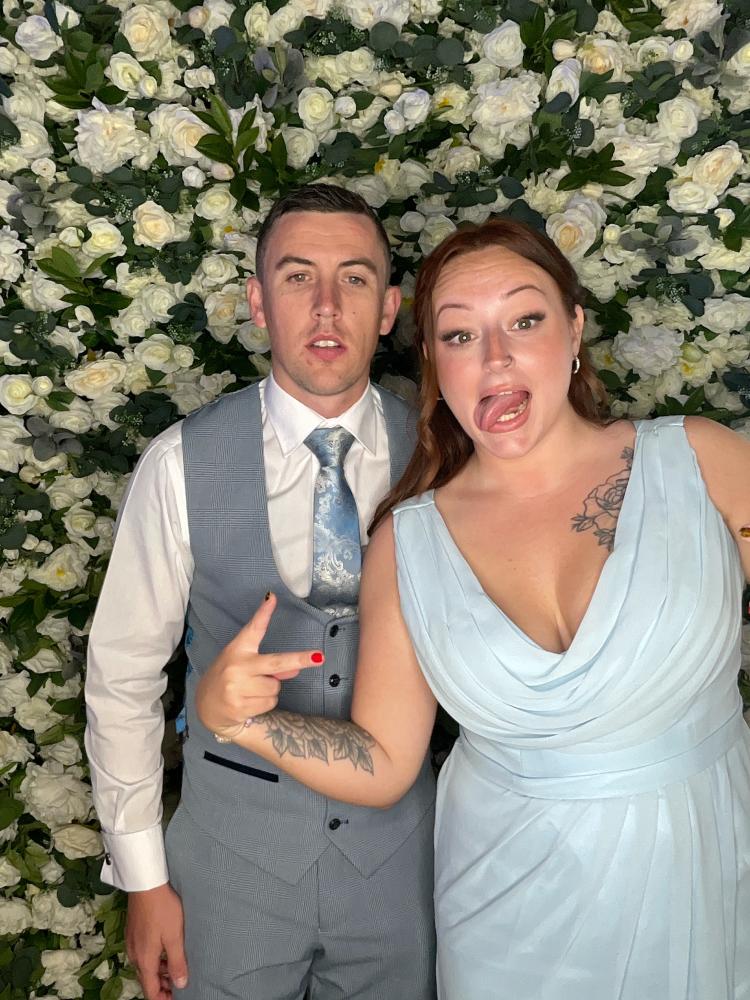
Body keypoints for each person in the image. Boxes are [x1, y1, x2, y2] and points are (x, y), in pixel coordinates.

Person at [196, 218, 750, 999]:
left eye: (524, 321)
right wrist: (240, 721)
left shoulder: (701, 460)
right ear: (433, 361)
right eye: (460, 335)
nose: (495, 358)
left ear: (575, 329)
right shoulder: (407, 542)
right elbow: (383, 761)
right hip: (506, 918)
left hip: (710, 870)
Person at [84, 184, 437, 1000]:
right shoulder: (179, 464)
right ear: (257, 302)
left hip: (400, 871)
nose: (326, 306)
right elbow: (123, 676)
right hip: (228, 870)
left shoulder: (441, 456)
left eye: (354, 279)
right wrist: (143, 879)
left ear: (389, 309)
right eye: (296, 277)